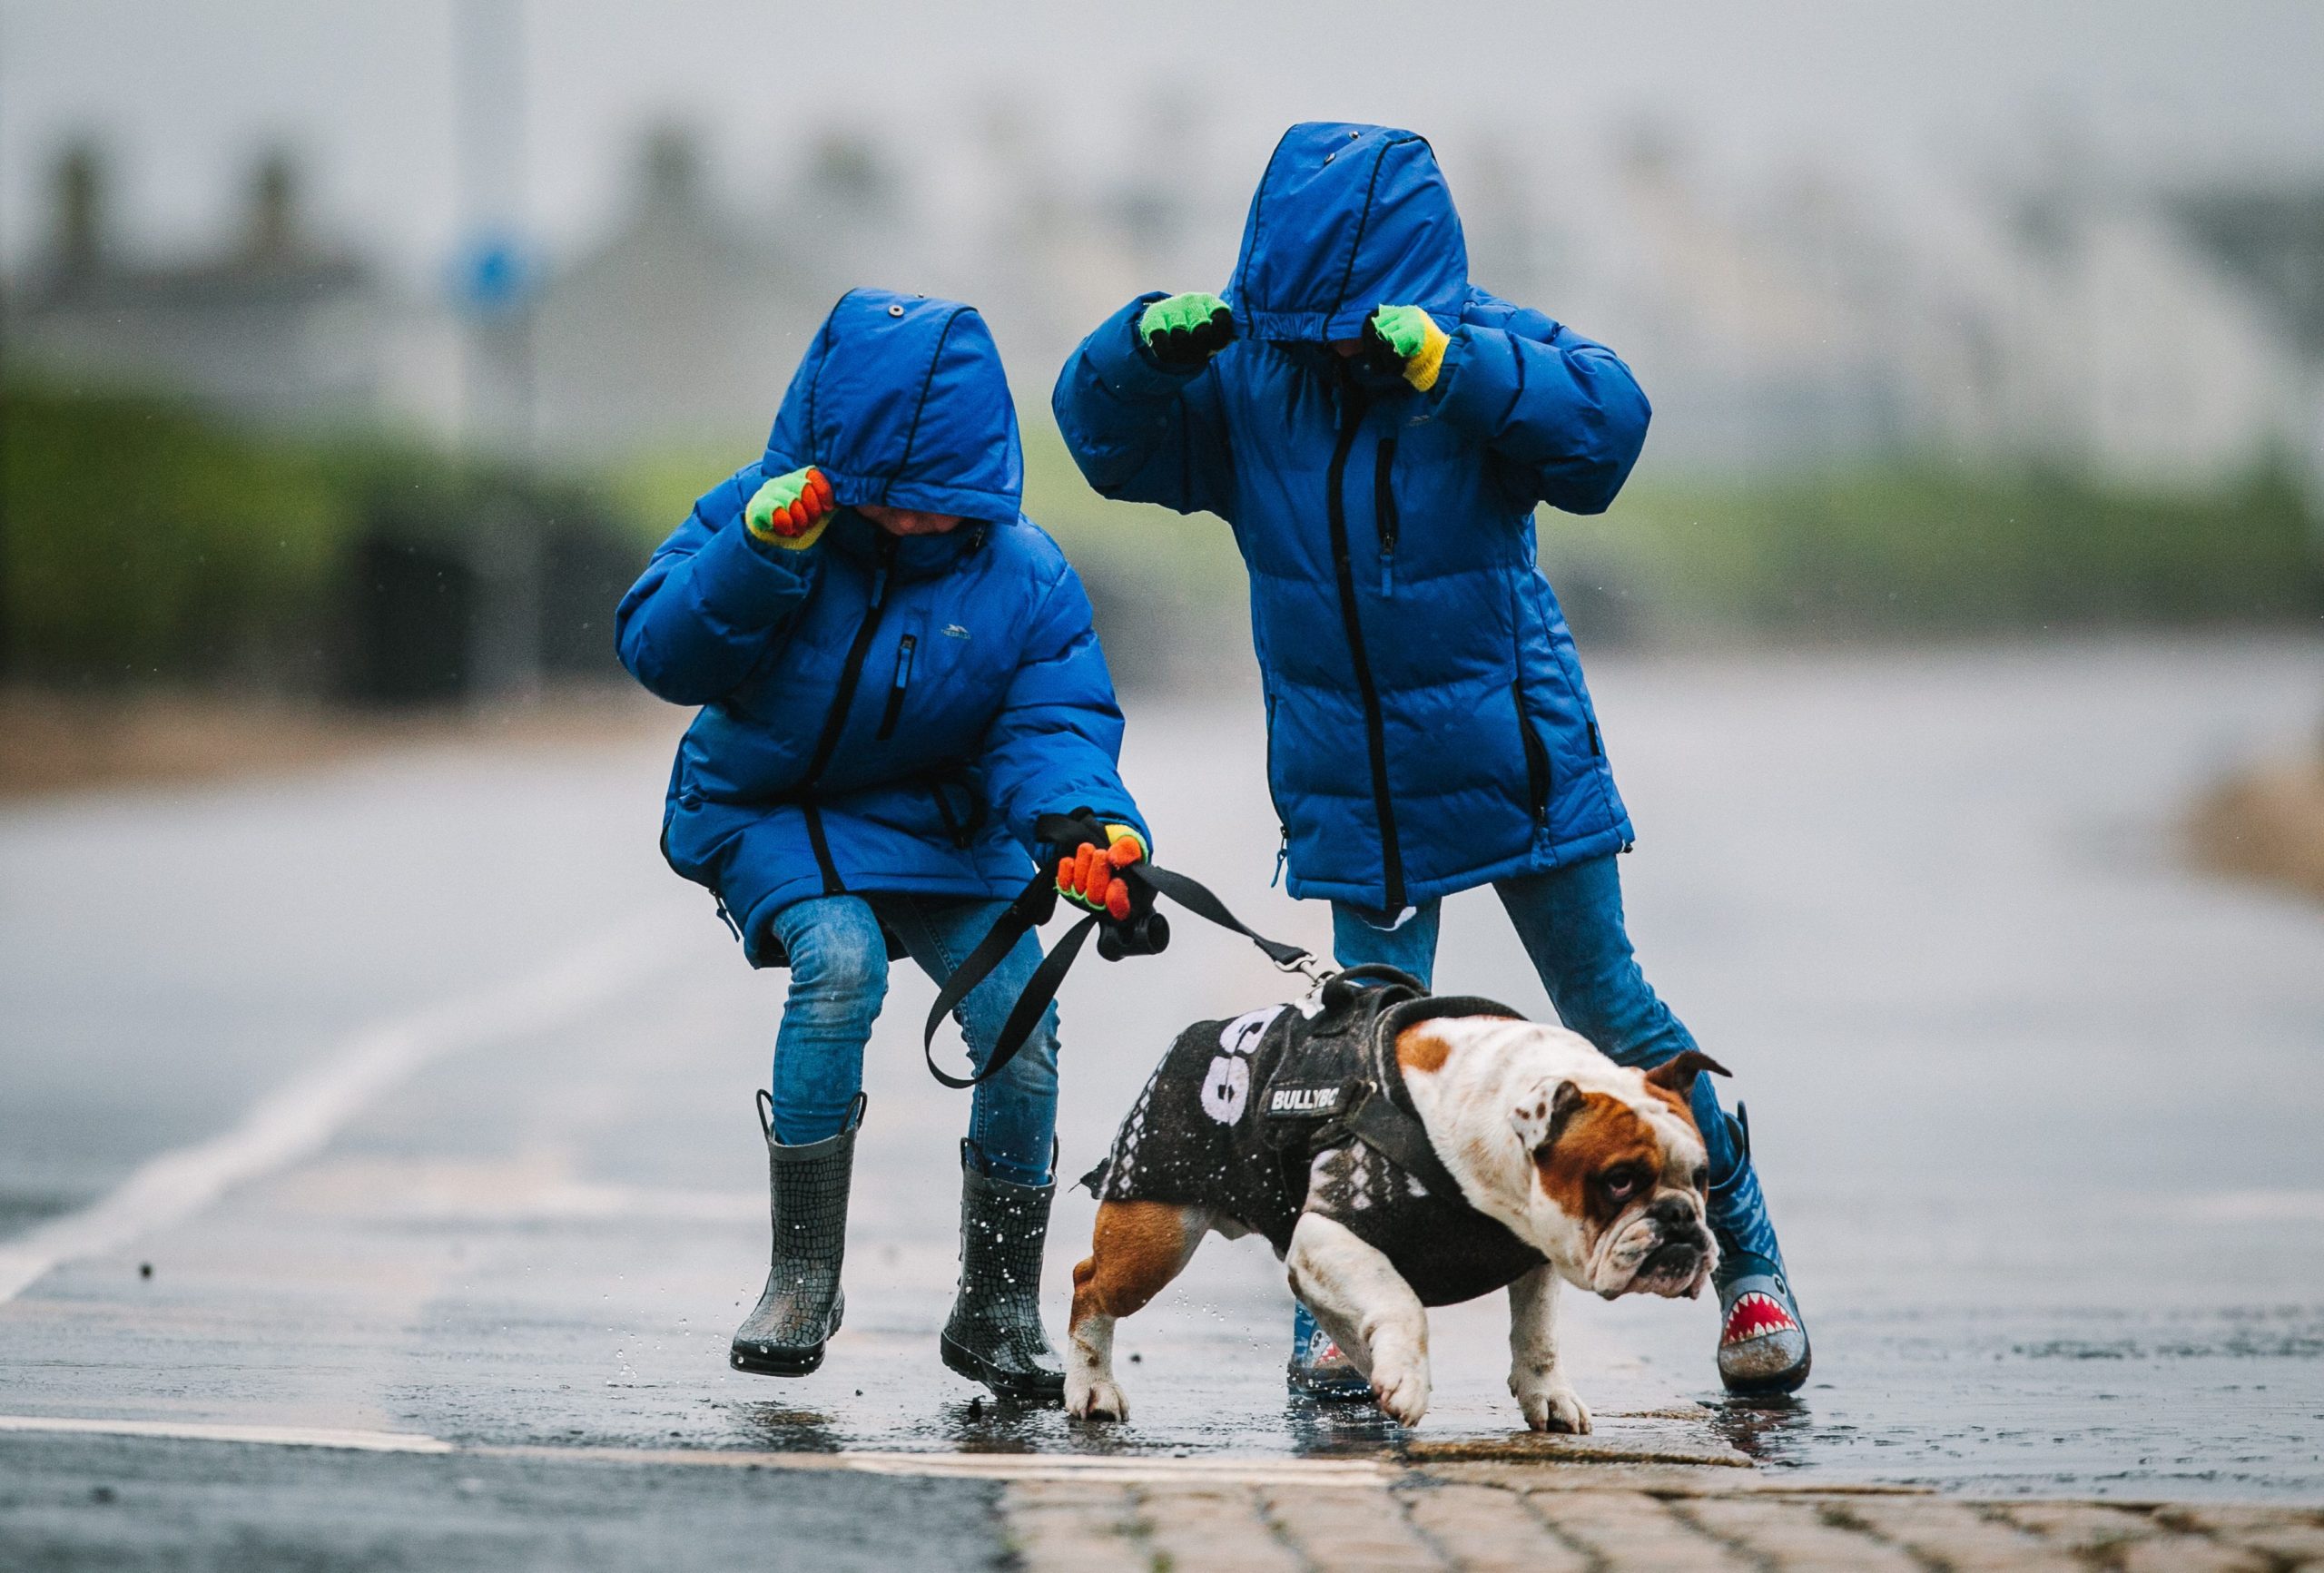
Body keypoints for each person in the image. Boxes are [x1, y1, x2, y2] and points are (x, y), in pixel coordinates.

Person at [1051, 123, 1808, 1398]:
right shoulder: (1249, 382)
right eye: (1309, 325)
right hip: (1358, 789)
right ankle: (1339, 1322)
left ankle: (1751, 1272)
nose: (1334, 348)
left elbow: (1605, 438)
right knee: (1358, 1077)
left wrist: (1459, 369)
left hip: (1518, 764)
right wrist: (1131, 352)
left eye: (1353, 327)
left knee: (1616, 1020)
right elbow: (1111, 448)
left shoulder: (1481, 353)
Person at [618, 288, 1152, 1402]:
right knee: (841, 966)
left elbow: (1052, 727)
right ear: (837, 463)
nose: (911, 520)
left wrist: (1087, 829)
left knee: (1023, 1017)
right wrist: (759, 557)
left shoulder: (1026, 575)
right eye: (887, 500)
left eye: (938, 502)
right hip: (772, 807)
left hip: (936, 820)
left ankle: (997, 1304)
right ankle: (801, 1279)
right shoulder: (764, 517)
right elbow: (660, 652)